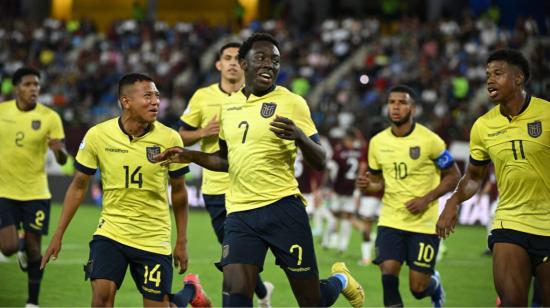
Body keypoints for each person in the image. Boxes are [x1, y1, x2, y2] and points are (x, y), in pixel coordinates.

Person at [154, 33, 364, 308]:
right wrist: (188, 154)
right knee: (237, 296)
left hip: (283, 209)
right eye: (261, 58)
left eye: (275, 61)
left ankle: (340, 281)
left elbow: (321, 160)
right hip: (240, 213)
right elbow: (226, 161)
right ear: (244, 63)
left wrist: (300, 136)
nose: (269, 65)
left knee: (312, 301)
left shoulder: (292, 102)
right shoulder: (229, 108)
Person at [40, 73, 211, 307]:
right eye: (148, 96)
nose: (156, 102)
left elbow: (179, 192)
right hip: (111, 232)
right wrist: (58, 234)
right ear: (126, 101)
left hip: (153, 237)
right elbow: (79, 186)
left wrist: (181, 240)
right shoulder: (98, 135)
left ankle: (191, 291)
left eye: (157, 96)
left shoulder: (170, 137)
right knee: (100, 300)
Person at [437, 49, 550, 306]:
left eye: (498, 74)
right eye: (487, 74)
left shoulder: (547, 113)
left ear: (518, 78)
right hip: (510, 222)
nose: (490, 80)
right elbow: (474, 176)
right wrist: (453, 202)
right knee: (512, 303)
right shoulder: (483, 126)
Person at [178, 42, 274, 307]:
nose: (232, 62)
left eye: (237, 58)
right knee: (234, 255)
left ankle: (254, 296)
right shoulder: (202, 97)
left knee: (235, 256)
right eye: (227, 58)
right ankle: (263, 294)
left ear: (245, 65)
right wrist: (201, 133)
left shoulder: (259, 97)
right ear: (219, 64)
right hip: (216, 188)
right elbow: (180, 135)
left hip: (250, 188)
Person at [357, 84, 460, 307]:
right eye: (392, 102)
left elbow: (453, 175)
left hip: (423, 224)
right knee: (388, 276)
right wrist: (367, 185)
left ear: (413, 109)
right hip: (390, 219)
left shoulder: (430, 140)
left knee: (418, 288)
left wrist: (426, 199)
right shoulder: (377, 142)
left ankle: (435, 285)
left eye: (402, 102)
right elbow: (377, 183)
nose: (396, 107)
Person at [0, 67, 68, 308]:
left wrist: (58, 150)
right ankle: (17, 244)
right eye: (28, 84)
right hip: (4, 192)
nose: (34, 89)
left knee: (34, 249)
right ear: (17, 88)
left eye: (36, 85)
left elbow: (63, 160)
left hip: (36, 193)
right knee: (7, 247)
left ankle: (32, 302)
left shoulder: (50, 117)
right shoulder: (2, 112)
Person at [327, 129, 362, 255]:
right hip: (351, 189)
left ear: (350, 140)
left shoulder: (339, 152)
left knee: (336, 215)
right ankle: (341, 245)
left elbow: (330, 168)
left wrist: (330, 183)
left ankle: (330, 241)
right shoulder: (359, 153)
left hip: (339, 188)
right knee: (346, 217)